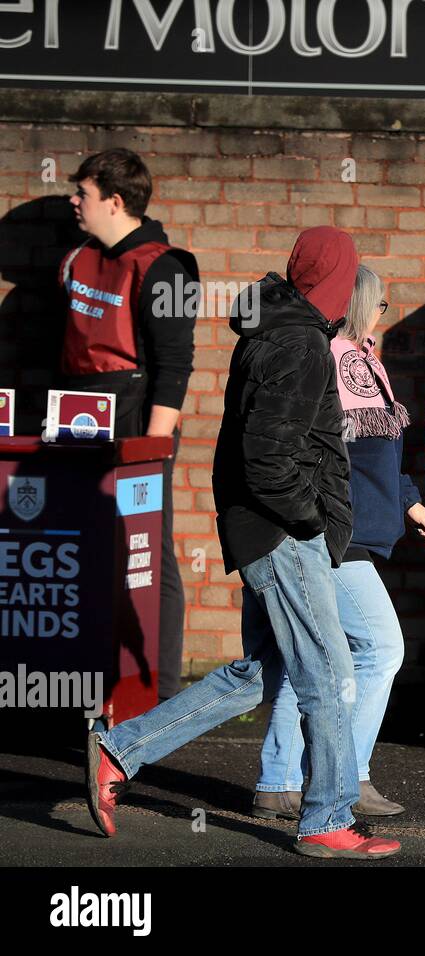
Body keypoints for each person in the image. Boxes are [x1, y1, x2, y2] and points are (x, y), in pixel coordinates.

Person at [86, 227, 402, 859]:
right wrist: (311, 525)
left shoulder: (280, 329)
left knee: (267, 671)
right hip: (284, 534)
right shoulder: (300, 343)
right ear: (336, 280)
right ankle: (326, 820)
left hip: (273, 530)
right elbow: (267, 459)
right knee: (332, 674)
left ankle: (118, 750)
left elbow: (272, 449)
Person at [253, 264, 425, 821]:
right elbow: (316, 455)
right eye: (381, 305)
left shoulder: (363, 363)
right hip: (335, 535)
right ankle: (348, 775)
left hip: (352, 531)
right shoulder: (331, 362)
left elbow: (378, 457)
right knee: (382, 649)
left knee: (304, 660)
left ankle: (278, 780)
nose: (383, 316)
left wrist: (409, 504)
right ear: (361, 305)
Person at [62, 148, 195, 700]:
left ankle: (157, 692)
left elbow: (176, 366)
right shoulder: (77, 259)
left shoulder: (171, 265)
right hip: (79, 420)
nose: (74, 201)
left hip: (139, 424)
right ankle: (99, 684)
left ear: (115, 201)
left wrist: (154, 447)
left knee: (147, 554)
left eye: (84, 193)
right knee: (93, 551)